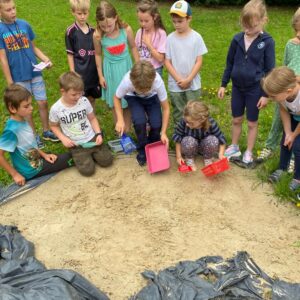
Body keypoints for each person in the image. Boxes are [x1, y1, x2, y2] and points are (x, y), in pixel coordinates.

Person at [217, 0, 275, 165]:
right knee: (236, 119)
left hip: (255, 89)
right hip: (237, 88)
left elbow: (270, 70)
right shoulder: (236, 40)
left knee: (251, 122)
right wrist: (223, 84)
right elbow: (229, 64)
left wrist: (266, 95)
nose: (248, 30)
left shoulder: (268, 42)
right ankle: (234, 146)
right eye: (245, 26)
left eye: (252, 26)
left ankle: (248, 151)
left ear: (264, 20)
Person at [0, 0, 58, 149]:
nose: (12, 12)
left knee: (42, 102)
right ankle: (34, 135)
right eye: (8, 10)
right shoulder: (0, 30)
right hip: (18, 76)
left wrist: (45, 59)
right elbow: (3, 59)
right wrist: (10, 81)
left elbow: (34, 48)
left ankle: (46, 130)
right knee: (26, 108)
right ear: (0, 12)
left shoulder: (24, 24)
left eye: (13, 8)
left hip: (34, 71)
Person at [0, 85, 72, 186]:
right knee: (70, 158)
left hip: (37, 159)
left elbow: (30, 145)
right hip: (32, 171)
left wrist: (44, 155)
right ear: (12, 108)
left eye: (30, 104)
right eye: (26, 106)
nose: (31, 108)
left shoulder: (21, 120)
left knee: (58, 156)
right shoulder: (12, 130)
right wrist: (15, 175)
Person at [258, 7, 300, 173]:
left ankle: (294, 159)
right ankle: (270, 145)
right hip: (284, 91)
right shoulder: (291, 45)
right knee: (280, 120)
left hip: (295, 91)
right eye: (296, 30)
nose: (298, 35)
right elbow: (284, 66)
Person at [49, 71, 113, 177]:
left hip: (92, 139)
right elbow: (53, 126)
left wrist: (98, 134)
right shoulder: (56, 109)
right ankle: (81, 157)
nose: (78, 97)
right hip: (76, 144)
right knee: (88, 171)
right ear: (63, 91)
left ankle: (93, 154)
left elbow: (92, 118)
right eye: (74, 94)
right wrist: (63, 139)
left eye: (80, 93)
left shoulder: (84, 101)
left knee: (107, 161)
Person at [93, 0, 139, 133]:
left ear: (116, 18)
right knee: (115, 100)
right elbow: (98, 55)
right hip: (111, 72)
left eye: (109, 25)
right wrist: (100, 75)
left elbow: (134, 47)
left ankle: (127, 128)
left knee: (128, 97)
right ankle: (120, 128)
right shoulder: (97, 36)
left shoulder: (126, 30)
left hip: (126, 68)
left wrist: (138, 67)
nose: (106, 29)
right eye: (103, 26)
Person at [114, 60, 170, 166]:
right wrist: (120, 120)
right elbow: (116, 98)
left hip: (152, 98)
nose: (143, 91)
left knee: (156, 124)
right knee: (139, 122)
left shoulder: (157, 81)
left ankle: (153, 146)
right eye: (140, 89)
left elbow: (166, 108)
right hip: (133, 97)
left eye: (146, 89)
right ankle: (142, 148)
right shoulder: (127, 81)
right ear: (133, 82)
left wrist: (163, 132)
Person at [165, 0, 207, 125]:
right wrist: (179, 79)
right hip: (175, 85)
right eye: (174, 21)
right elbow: (167, 62)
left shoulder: (196, 37)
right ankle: (181, 136)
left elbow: (199, 61)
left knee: (194, 111)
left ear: (189, 19)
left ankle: (195, 135)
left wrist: (188, 79)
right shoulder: (170, 39)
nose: (176, 25)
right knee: (179, 111)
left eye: (180, 21)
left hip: (192, 84)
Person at [261, 66, 300, 191]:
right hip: (294, 117)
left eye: (273, 96)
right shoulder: (282, 95)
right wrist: (288, 132)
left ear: (288, 91)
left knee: (298, 147)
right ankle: (282, 169)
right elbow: (283, 110)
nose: (271, 99)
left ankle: (297, 178)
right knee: (285, 141)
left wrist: (294, 136)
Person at [65, 0, 101, 111]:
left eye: (85, 14)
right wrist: (72, 72)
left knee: (91, 98)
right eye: (79, 13)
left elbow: (99, 53)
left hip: (93, 73)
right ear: (73, 12)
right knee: (80, 100)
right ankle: (82, 123)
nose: (82, 17)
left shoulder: (94, 32)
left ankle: (92, 121)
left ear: (88, 13)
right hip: (80, 74)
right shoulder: (70, 32)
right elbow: (70, 54)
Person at [173, 100, 226, 171]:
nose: (187, 124)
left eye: (191, 123)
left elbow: (221, 138)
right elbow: (178, 138)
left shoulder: (211, 123)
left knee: (213, 140)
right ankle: (189, 158)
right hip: (189, 146)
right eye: (186, 121)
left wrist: (221, 154)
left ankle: (208, 158)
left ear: (201, 120)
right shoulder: (184, 121)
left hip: (204, 147)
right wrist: (178, 157)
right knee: (188, 140)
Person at [135, 0, 166, 77]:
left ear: (154, 17)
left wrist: (149, 45)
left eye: (146, 21)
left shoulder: (161, 34)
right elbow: (135, 51)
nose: (143, 24)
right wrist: (138, 66)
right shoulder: (139, 32)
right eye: (140, 20)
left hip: (155, 70)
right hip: (141, 69)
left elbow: (160, 59)